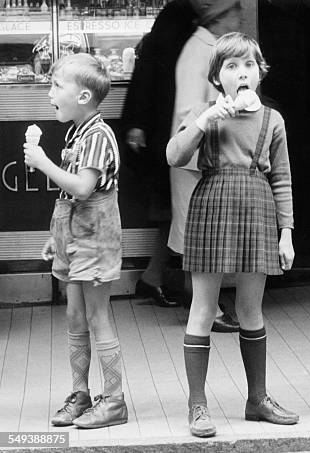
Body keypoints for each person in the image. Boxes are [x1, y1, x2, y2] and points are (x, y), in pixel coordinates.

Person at [166, 32, 298, 437]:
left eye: (249, 65)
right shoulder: (205, 113)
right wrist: (205, 120)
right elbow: (173, 155)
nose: (242, 73)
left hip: (257, 210)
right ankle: (198, 405)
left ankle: (257, 399)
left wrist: (286, 232)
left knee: (250, 310)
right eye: (231, 66)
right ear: (217, 77)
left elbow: (282, 179)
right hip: (211, 207)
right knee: (203, 308)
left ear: (259, 73)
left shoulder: (273, 120)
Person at [23, 53, 128, 429]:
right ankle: (81, 393)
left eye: (55, 85)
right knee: (74, 316)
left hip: (96, 238)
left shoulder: (99, 134)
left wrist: (43, 163)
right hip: (75, 237)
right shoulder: (78, 133)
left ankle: (114, 400)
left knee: (98, 316)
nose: (50, 92)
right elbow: (70, 198)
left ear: (83, 97)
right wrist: (58, 237)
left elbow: (83, 189)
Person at [170, 0, 242, 332]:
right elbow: (189, 108)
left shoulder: (212, 47)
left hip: (206, 157)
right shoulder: (198, 50)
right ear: (220, 15)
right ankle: (204, 309)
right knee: (195, 234)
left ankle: (205, 305)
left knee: (201, 233)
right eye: (236, 10)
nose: (240, 16)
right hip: (193, 158)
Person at [121, 0, 199, 308]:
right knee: (176, 214)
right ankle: (159, 280)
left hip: (163, 138)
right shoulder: (183, 33)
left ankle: (153, 279)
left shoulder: (164, 35)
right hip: (167, 139)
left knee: (171, 214)